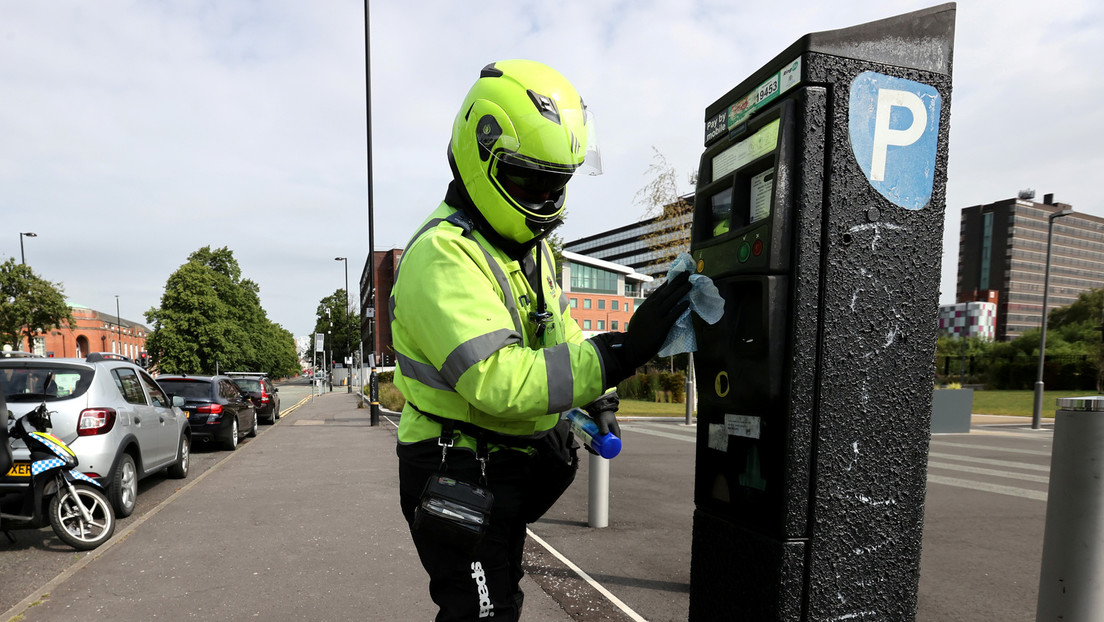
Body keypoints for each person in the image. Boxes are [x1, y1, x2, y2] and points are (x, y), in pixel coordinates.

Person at [392, 59, 692, 621]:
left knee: (502, 599)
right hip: (456, 465)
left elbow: (559, 328)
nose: (546, 197)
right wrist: (622, 355)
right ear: (481, 155)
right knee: (481, 611)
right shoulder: (443, 255)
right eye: (531, 179)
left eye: (559, 181)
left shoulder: (528, 251)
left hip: (499, 463)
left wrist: (596, 396)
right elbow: (498, 379)